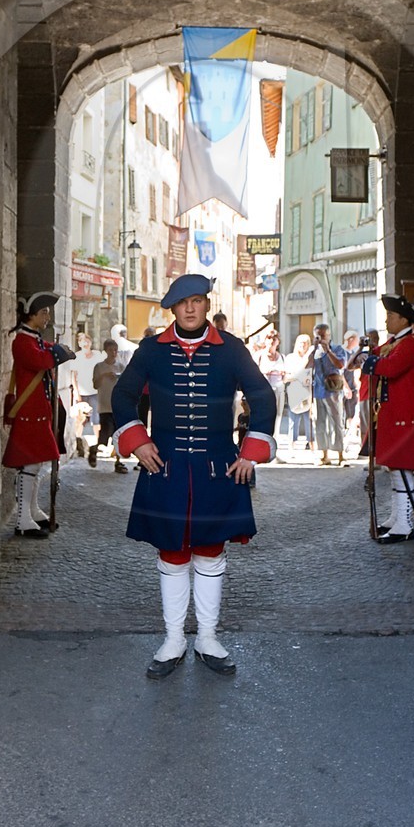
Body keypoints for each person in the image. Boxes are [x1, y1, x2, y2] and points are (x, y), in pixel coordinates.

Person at [111, 274, 276, 679]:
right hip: (163, 466)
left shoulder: (231, 349)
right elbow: (122, 395)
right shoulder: (151, 349)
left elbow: (262, 395)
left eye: (198, 301)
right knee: (172, 553)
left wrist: (251, 452)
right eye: (183, 303)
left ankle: (207, 637)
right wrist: (138, 440)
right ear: (172, 308)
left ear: (205, 305)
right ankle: (172, 640)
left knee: (210, 552)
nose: (190, 308)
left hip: (217, 468)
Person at [2, 292, 74, 536]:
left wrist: (58, 350)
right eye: (43, 312)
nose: (47, 316)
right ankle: (22, 519)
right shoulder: (22, 341)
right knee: (29, 464)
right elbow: (41, 360)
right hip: (29, 412)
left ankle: (32, 510)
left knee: (37, 461)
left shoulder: (34, 338)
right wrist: (59, 353)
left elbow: (48, 351)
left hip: (39, 410)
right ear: (31, 315)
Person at [363, 295, 414, 541]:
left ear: (403, 319)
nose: (386, 320)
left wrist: (371, 362)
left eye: (391, 316)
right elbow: (376, 358)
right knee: (396, 469)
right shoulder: (394, 342)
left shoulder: (409, 344)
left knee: (402, 470)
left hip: (404, 415)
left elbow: (390, 368)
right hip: (392, 414)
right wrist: (366, 356)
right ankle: (397, 518)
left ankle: (405, 525)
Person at [309, 321, 346, 465]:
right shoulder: (315, 351)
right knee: (320, 424)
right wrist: (314, 349)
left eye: (323, 336)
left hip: (333, 390)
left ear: (329, 335)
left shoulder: (337, 348)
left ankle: (341, 455)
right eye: (318, 336)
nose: (321, 339)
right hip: (318, 390)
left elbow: (341, 365)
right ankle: (324, 455)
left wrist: (327, 351)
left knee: (336, 422)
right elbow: (308, 365)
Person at [92, 339, 128, 473]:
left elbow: (126, 384)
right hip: (105, 404)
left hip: (118, 405)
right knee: (105, 434)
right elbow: (95, 384)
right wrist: (104, 375)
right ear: (106, 351)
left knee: (118, 435)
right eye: (111, 350)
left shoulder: (121, 366)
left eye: (115, 350)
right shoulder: (99, 366)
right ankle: (94, 449)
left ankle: (118, 462)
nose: (113, 353)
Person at [70, 332, 100, 462]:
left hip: (95, 391)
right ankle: (78, 443)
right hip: (81, 392)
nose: (86, 343)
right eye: (83, 341)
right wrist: (76, 392)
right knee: (80, 420)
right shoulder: (77, 357)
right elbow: (74, 376)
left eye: (88, 340)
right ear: (79, 343)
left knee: (96, 419)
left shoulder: (97, 356)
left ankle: (97, 445)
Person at [283, 332, 313, 447]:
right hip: (294, 391)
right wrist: (299, 376)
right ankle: (292, 443)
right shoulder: (290, 358)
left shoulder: (311, 358)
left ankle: (310, 443)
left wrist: (297, 375)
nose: (303, 345)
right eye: (301, 343)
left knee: (308, 419)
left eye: (306, 343)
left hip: (308, 391)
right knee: (293, 419)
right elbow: (286, 376)